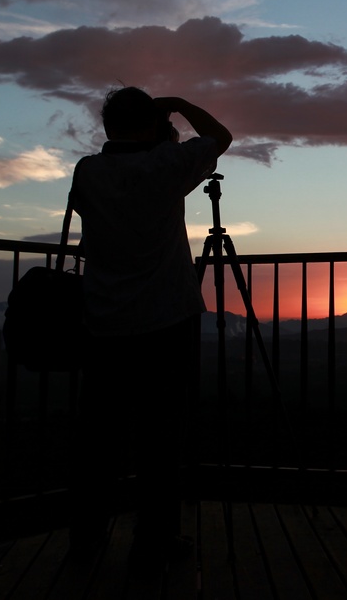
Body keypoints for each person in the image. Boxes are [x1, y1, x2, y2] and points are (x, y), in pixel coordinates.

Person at [68, 86, 232, 563]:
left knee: (98, 437)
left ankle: (86, 539)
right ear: (153, 124)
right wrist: (177, 105)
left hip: (103, 320)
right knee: (160, 437)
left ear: (108, 126)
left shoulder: (88, 171)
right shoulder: (166, 166)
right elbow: (220, 136)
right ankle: (155, 541)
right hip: (166, 318)